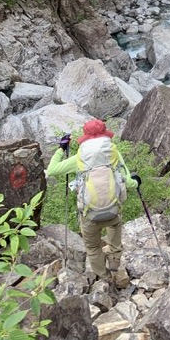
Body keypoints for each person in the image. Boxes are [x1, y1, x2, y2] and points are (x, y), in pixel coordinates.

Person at [46, 119, 141, 282]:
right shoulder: (113, 154)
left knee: (93, 247)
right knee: (115, 241)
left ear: (86, 138)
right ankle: (114, 267)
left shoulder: (80, 159)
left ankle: (105, 278)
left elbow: (52, 170)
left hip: (89, 215)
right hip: (113, 211)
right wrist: (137, 181)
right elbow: (128, 181)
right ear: (105, 135)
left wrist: (61, 148)